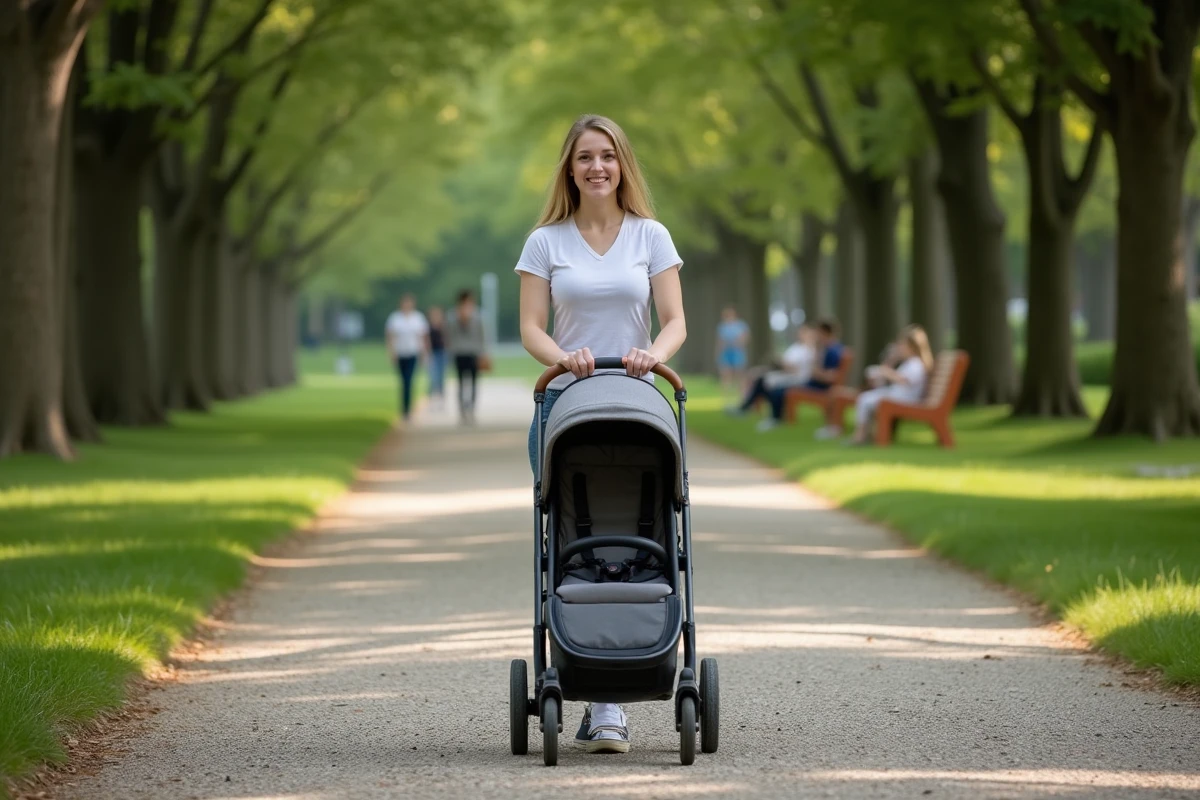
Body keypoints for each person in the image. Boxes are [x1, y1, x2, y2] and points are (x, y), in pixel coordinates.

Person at [514, 113, 686, 755]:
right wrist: (560, 356)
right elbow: (531, 326)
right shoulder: (545, 242)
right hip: (565, 407)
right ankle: (599, 694)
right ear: (570, 167)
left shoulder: (651, 236)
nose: (597, 167)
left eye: (608, 156)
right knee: (572, 541)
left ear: (622, 165)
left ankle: (619, 686)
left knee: (641, 537)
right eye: (585, 157)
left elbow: (675, 322)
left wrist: (650, 354)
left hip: (637, 406)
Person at [842, 324, 933, 445]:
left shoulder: (916, 364)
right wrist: (890, 362)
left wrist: (886, 372)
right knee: (867, 397)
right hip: (898, 396)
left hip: (906, 400)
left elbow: (905, 380)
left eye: (902, 345)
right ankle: (866, 433)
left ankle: (861, 435)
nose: (900, 348)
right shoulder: (910, 363)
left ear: (912, 346)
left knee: (865, 399)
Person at [728, 323, 818, 431]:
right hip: (785, 373)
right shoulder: (796, 347)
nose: (801, 335)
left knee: (770, 385)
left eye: (805, 333)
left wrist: (784, 365)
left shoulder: (810, 350)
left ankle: (772, 416)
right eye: (801, 332)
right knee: (760, 379)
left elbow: (798, 368)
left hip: (797, 378)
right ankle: (747, 408)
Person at [445, 289, 488, 424]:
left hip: (473, 353)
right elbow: (449, 335)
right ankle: (463, 410)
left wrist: (483, 352)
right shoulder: (452, 316)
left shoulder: (477, 315)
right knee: (461, 383)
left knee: (474, 382)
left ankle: (471, 409)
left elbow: (481, 335)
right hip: (459, 353)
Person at [384, 293, 429, 422]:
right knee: (403, 381)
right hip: (400, 353)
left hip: (413, 352)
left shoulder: (418, 318)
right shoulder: (395, 318)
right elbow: (390, 336)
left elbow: (423, 337)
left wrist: (424, 353)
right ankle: (404, 407)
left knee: (409, 380)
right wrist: (391, 352)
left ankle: (407, 409)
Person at [714, 306, 750, 397]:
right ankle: (726, 395)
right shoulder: (722, 327)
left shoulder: (740, 325)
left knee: (740, 373)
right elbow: (720, 341)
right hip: (726, 352)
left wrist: (738, 343)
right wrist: (718, 352)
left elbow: (745, 337)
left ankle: (743, 394)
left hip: (737, 351)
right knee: (726, 374)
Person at [426, 306, 447, 409]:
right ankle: (431, 401)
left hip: (442, 353)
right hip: (432, 354)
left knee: (441, 378)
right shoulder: (427, 327)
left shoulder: (444, 326)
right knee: (433, 378)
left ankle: (441, 401)